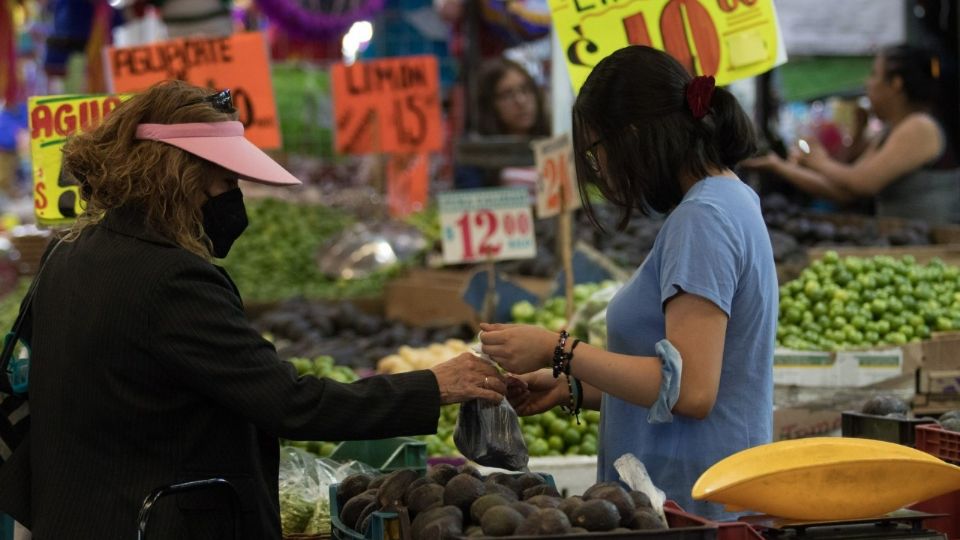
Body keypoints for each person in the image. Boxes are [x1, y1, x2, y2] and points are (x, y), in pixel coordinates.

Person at [0, 80, 506, 539]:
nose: (234, 200)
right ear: (178, 178)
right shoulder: (172, 279)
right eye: (226, 184)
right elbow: (291, 402)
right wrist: (433, 385)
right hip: (151, 522)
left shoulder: (67, 254)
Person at [479, 45, 777, 519]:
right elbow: (680, 379)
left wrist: (559, 348)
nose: (599, 172)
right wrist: (574, 387)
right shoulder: (727, 199)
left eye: (596, 153)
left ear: (633, 137)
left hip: (694, 507)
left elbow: (692, 390)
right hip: (698, 497)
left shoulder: (703, 218)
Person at [744, 45, 960, 224]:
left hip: (936, 250)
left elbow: (862, 183)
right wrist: (779, 166)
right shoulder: (892, 130)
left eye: (874, 74)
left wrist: (818, 161)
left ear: (896, 84)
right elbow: (844, 190)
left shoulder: (919, 127)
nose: (868, 84)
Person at [455, 57, 550, 189]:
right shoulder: (476, 154)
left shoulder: (554, 138)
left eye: (526, 89)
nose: (521, 101)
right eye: (507, 94)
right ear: (490, 104)